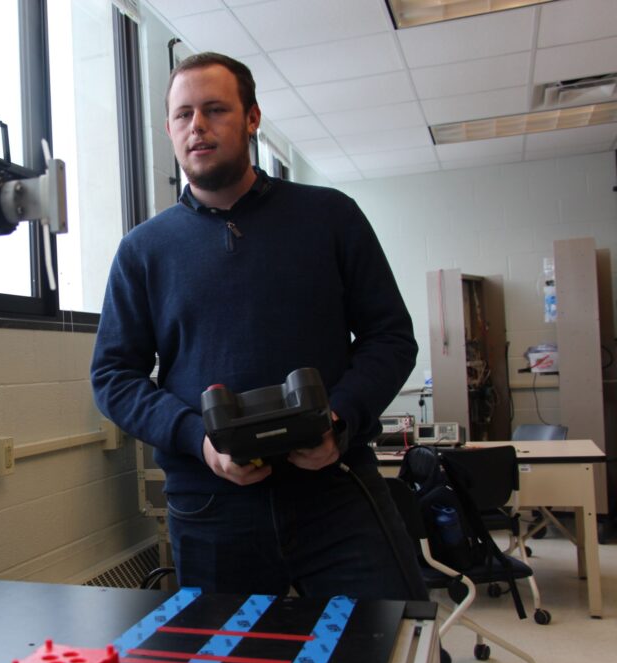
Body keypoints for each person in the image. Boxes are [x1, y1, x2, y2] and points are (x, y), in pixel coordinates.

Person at [90, 52, 430, 608]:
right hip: (211, 504)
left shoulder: (330, 217)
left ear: (252, 119)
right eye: (181, 115)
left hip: (335, 489)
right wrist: (196, 438)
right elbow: (112, 376)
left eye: (214, 109)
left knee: (390, 648)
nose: (195, 126)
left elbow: (390, 337)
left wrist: (339, 418)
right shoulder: (143, 251)